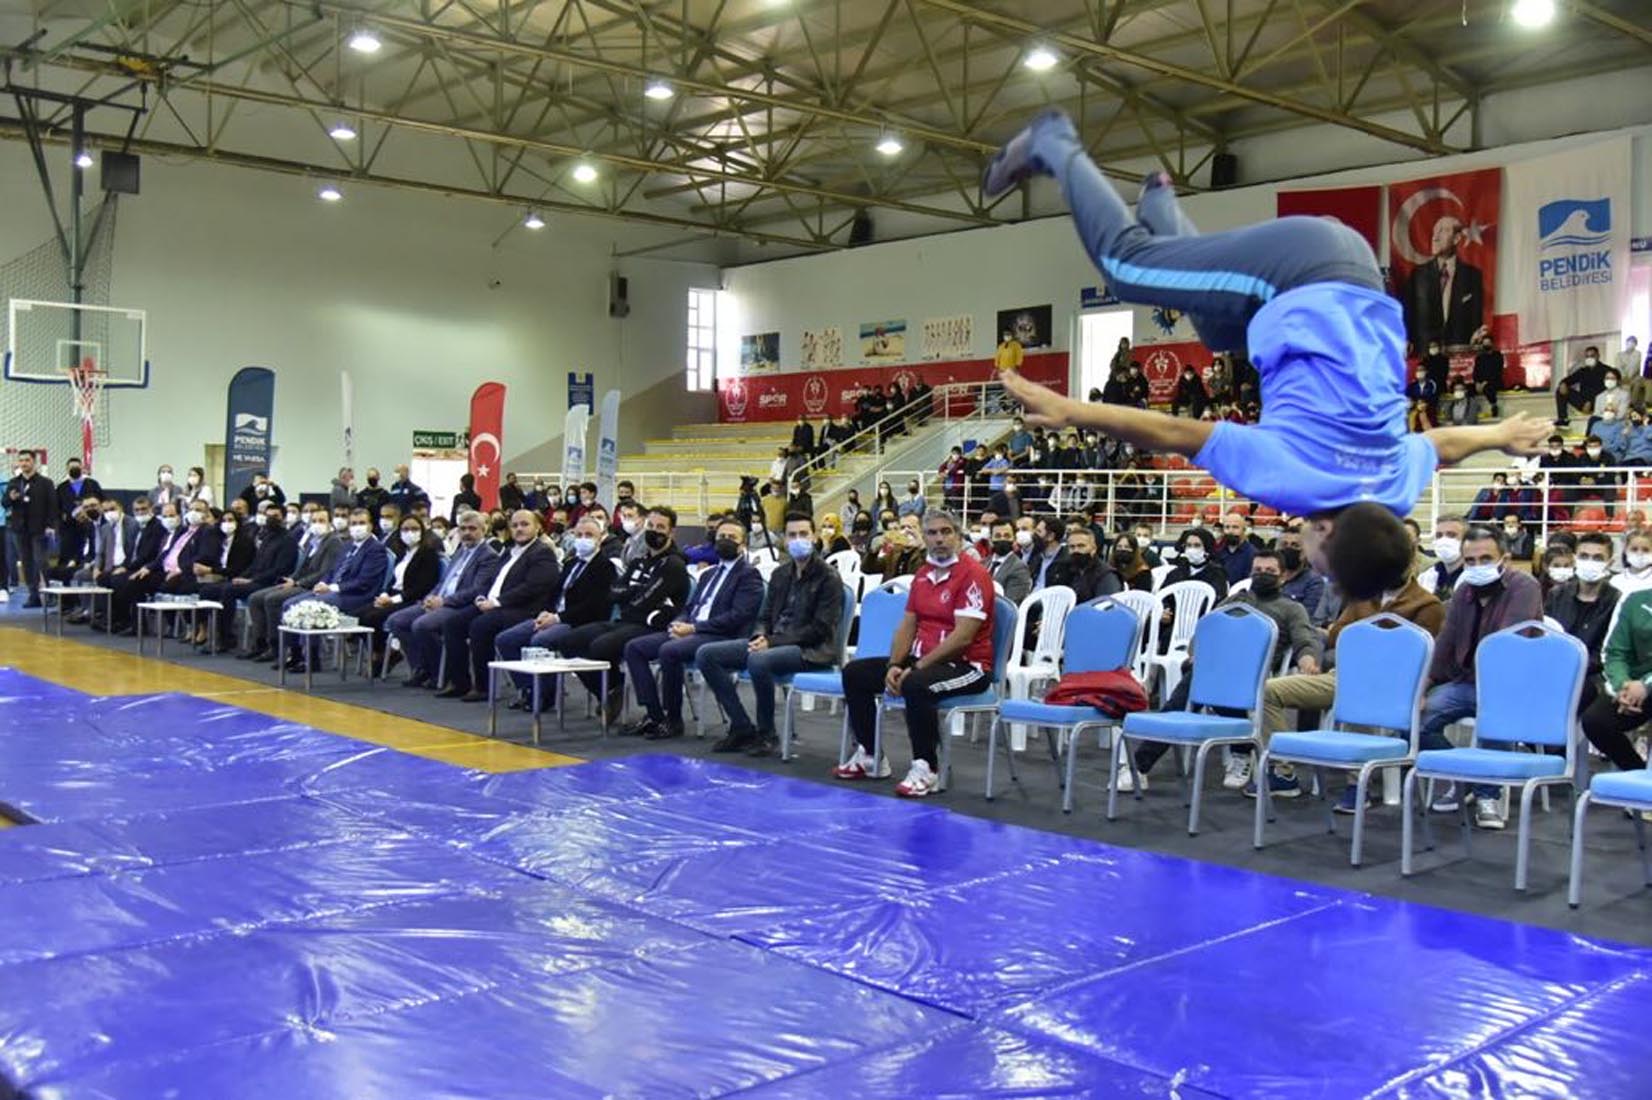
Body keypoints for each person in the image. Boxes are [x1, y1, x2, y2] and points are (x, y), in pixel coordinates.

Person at [983, 110, 1548, 604]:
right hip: (1301, 272)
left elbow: (1444, 443)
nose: (1302, 554)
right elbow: (1174, 432)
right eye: (1317, 562)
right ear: (1323, 534)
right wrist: (1071, 410)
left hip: (1353, 282)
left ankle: (1161, 206)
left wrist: (1501, 435)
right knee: (1126, 265)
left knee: (1219, 333)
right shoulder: (1293, 482)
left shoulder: (1394, 491)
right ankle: (1055, 141)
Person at [833, 509, 997, 797]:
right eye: (932, 533)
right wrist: (895, 664)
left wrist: (917, 666)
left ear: (958, 537)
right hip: (924, 662)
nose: (939, 539)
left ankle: (927, 768)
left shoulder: (974, 575)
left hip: (968, 667)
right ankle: (871, 755)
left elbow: (963, 637)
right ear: (924, 537)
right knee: (855, 673)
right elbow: (907, 626)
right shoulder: (922, 575)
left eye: (946, 532)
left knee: (915, 684)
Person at [1129, 550, 1322, 790]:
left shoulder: (1291, 608)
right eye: (1257, 571)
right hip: (1216, 668)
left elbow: (1305, 639)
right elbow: (1206, 628)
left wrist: (1307, 659)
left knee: (1200, 686)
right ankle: (1140, 765)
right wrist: (1196, 652)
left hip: (1255, 673)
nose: (1262, 576)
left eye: (1270, 572)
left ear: (1283, 577)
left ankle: (1239, 751)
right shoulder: (1235, 601)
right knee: (1185, 692)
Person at [1412, 524, 1544, 829]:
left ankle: (1487, 794)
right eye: (1470, 560)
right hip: (1466, 683)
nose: (1476, 566)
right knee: (1413, 719)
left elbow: (1505, 646)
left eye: (1485, 558)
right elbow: (1446, 642)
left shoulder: (1525, 587)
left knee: (1493, 715)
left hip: (1509, 686)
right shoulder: (1464, 591)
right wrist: (1422, 687)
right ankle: (1465, 775)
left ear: (1505, 559)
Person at [695, 513, 845, 757]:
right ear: (784, 540)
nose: (798, 539)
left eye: (803, 534)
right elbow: (764, 617)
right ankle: (742, 726)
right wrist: (759, 637)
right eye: (792, 535)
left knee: (758, 660)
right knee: (707, 655)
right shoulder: (780, 574)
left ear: (814, 537)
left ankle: (767, 734)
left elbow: (820, 629)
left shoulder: (828, 577)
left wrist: (770, 642)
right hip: (771, 643)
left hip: (810, 650)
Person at [621, 518, 763, 741]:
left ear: (742, 544)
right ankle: (654, 715)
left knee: (670, 650)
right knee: (634, 648)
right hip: (692, 631)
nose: (725, 541)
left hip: (720, 635)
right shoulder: (708, 574)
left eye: (732, 538)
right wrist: (678, 623)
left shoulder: (748, 575)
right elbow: (689, 607)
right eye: (721, 537)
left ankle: (673, 719)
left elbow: (738, 616)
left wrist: (694, 627)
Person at [558, 506, 691, 724]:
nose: (654, 531)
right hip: (625, 620)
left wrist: (631, 592)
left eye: (661, 527)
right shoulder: (639, 561)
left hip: (652, 627)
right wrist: (634, 591)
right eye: (651, 526)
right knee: (569, 641)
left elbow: (645, 599)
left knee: (601, 646)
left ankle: (620, 694)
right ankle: (612, 689)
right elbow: (613, 593)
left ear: (671, 533)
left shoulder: (673, 565)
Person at [432, 510, 560, 701]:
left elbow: (533, 587)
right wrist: (482, 597)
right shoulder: (508, 551)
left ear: (537, 527)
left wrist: (497, 602)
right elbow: (491, 580)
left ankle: (484, 686)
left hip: (522, 608)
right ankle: (459, 682)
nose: (519, 529)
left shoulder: (542, 553)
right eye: (515, 525)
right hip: (493, 604)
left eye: (525, 524)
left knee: (480, 626)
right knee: (453, 623)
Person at [492, 515, 618, 709]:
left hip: (578, 621)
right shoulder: (570, 563)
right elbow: (554, 594)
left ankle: (545, 695)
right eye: (579, 534)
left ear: (600, 538)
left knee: (540, 641)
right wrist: (546, 613)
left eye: (589, 535)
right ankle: (528, 688)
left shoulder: (605, 567)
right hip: (553, 616)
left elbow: (595, 605)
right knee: (506, 639)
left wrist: (557, 618)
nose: (583, 539)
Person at [385, 512, 498, 689]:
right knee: (396, 621)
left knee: (422, 625)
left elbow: (477, 590)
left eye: (472, 529)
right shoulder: (461, 551)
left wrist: (444, 602)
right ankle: (421, 667)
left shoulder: (488, 556)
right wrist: (431, 596)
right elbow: (444, 581)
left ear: (484, 530)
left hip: (461, 606)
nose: (467, 532)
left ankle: (440, 673)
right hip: (440, 600)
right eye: (463, 529)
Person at [277, 507, 390, 671]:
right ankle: (295, 654)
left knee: (309, 606)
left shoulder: (375, 549)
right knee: (289, 603)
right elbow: (332, 571)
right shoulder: (348, 545)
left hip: (357, 596)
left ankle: (311, 659)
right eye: (353, 523)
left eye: (361, 523)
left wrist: (332, 587)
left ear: (370, 526)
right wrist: (323, 584)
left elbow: (364, 582)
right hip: (333, 590)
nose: (357, 527)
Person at [237, 509, 345, 659]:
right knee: (255, 598)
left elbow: (324, 572)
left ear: (329, 523)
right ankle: (259, 644)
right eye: (314, 521)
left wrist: (297, 582)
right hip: (299, 583)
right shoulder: (312, 542)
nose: (317, 525)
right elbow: (302, 568)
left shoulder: (332, 542)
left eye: (321, 521)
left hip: (313, 586)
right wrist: (292, 579)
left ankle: (276, 647)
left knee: (272, 599)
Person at [199, 502, 297, 652]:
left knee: (229, 590)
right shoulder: (268, 538)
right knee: (208, 590)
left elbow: (281, 569)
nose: (271, 519)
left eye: (276, 516)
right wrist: (241, 576)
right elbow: (254, 564)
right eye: (268, 516)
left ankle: (227, 638)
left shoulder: (288, 540)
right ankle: (212, 633)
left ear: (283, 518)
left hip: (269, 582)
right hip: (255, 578)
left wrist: (252, 580)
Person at [357, 514, 442, 675]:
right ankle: (386, 653)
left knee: (373, 617)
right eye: (405, 529)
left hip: (412, 598)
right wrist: (384, 596)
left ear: (422, 531)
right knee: (360, 614)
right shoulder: (402, 554)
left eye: (414, 529)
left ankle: (380, 656)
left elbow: (423, 587)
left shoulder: (428, 554)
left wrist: (393, 600)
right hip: (394, 595)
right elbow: (393, 581)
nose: (410, 532)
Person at [1545, 533, 1619, 714]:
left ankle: (1557, 741)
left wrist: (1571, 667)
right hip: (1553, 668)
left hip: (1592, 676)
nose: (1590, 562)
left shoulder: (1616, 600)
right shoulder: (1557, 594)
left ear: (1609, 563)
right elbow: (1545, 633)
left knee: (1565, 698)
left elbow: (1606, 651)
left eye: (1598, 558)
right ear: (1575, 559)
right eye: (1584, 556)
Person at [1586, 585, 1652, 779]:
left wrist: (1646, 685)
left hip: (1645, 685)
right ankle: (1638, 778)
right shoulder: (1635, 600)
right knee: (1596, 722)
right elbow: (1615, 652)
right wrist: (1622, 685)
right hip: (1634, 685)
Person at [1400, 215, 1486, 349]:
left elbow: (1477, 319)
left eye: (1442, 231)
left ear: (1457, 238)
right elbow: (1407, 316)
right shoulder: (1418, 275)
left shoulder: (1472, 276)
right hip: (1425, 355)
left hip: (1460, 354)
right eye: (1434, 232)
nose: (1435, 237)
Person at [5, 450, 55, 606]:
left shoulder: (45, 482)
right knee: (27, 563)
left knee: (41, 561)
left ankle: (50, 594)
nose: (24, 463)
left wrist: (51, 525)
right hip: (20, 529)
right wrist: (10, 498)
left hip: (39, 528)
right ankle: (33, 595)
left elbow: (52, 506)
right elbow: (5, 503)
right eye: (21, 461)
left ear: (34, 462)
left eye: (27, 460)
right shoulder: (14, 482)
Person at [1051, 524, 1120, 603]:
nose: (1076, 550)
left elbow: (1106, 605)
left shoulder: (1106, 574)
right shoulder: (1062, 569)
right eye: (1072, 547)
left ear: (1093, 549)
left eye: (1081, 546)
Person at [1555, 346, 1608, 428]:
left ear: (1598, 356)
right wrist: (1563, 383)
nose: (1589, 358)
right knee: (1560, 389)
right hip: (1582, 401)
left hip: (1598, 402)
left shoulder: (1606, 370)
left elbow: (1605, 390)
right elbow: (1570, 379)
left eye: (1592, 356)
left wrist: (1591, 401)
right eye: (1587, 356)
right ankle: (1563, 420)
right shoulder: (1583, 371)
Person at [983, 520, 1033, 604]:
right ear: (990, 539)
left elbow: (1012, 602)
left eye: (1007, 536)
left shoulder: (1019, 568)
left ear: (1014, 539)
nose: (1002, 539)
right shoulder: (983, 563)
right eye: (997, 536)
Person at [1418, 515, 1466, 597]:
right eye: (1439, 535)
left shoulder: (1474, 576)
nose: (1444, 540)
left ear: (1465, 540)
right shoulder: (1426, 576)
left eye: (1451, 535)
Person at [54, 457, 103, 529]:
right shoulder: (61, 487)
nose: (74, 469)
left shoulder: (93, 484)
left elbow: (102, 500)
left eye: (77, 467)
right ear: (67, 469)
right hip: (67, 527)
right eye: (72, 467)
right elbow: (57, 507)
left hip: (90, 524)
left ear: (82, 468)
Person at [1212, 510, 1256, 585]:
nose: (1230, 531)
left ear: (1244, 530)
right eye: (1227, 527)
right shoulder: (1218, 552)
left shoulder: (1253, 554)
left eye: (1235, 527)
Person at [1611, 530, 1652, 596]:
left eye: (1646, 550)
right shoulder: (1615, 580)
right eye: (1634, 549)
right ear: (1625, 550)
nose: (1639, 553)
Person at [1472, 332, 1503, 418]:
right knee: (1469, 389)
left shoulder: (1498, 356)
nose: (1486, 344)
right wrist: (1477, 382)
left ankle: (1494, 406)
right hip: (1481, 383)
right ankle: (1472, 408)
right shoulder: (1479, 358)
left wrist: (1485, 382)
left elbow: (1497, 372)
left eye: (1488, 343)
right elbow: (1476, 372)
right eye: (1484, 343)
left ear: (1492, 344)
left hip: (1494, 382)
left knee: (1488, 388)